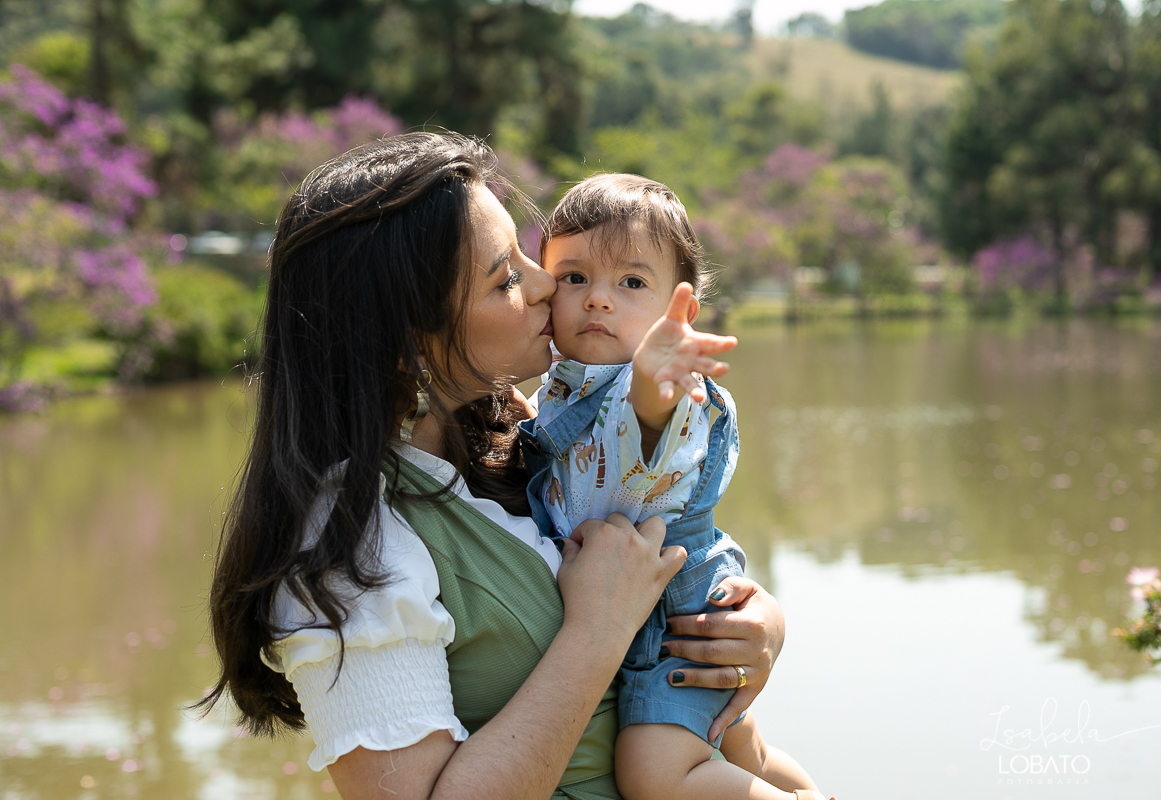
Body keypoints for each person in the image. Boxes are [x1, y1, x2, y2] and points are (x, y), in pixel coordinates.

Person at [199, 132, 791, 800]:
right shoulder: (349, 543)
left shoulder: (517, 426)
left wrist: (747, 626)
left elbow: (667, 524)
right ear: (405, 345)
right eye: (506, 278)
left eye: (524, 256)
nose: (546, 284)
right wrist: (597, 631)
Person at [523, 175, 828, 800]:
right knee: (747, 751)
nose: (598, 300)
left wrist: (653, 385)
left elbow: (644, 438)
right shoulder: (550, 391)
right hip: (640, 607)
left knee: (656, 774)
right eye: (574, 278)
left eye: (632, 283)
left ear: (679, 311)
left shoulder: (671, 389)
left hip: (676, 618)